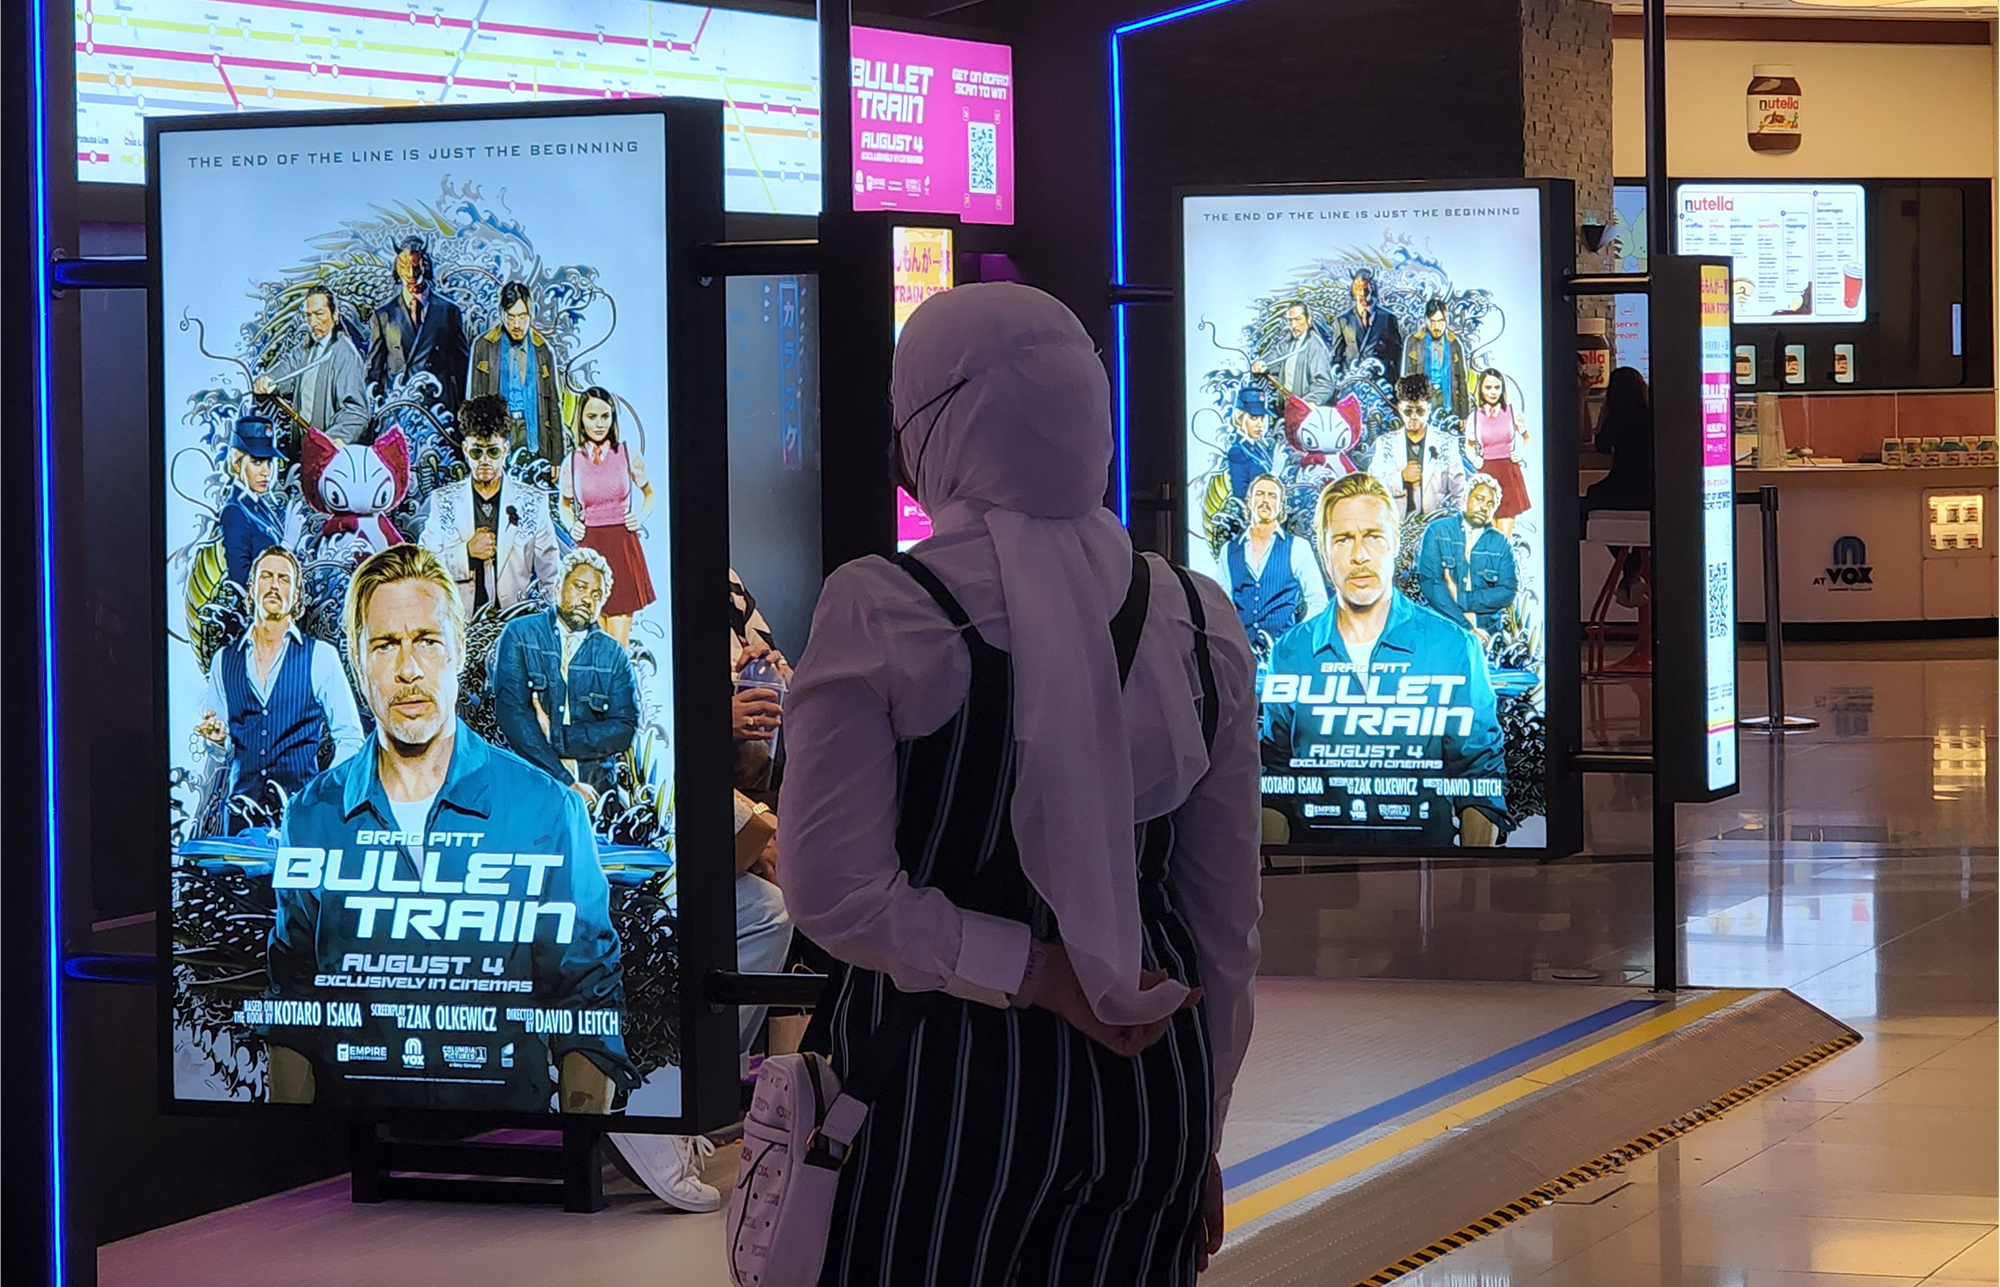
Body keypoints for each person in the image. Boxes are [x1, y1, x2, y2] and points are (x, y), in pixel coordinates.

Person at [778, 282, 1261, 1282]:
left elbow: (832, 893)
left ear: (935, 427)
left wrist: (1038, 974)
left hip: (941, 1085)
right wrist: (1201, 1131)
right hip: (1148, 1078)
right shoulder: (1197, 616)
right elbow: (1223, 924)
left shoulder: (884, 609)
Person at [264, 543, 632, 1111]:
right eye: (385, 645)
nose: (408, 669)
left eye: (427, 642)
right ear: (357, 661)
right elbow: (292, 1005)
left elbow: (587, 996)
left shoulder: (547, 810)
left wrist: (573, 1151)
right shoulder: (312, 817)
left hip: (512, 1161)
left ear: (459, 650)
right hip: (352, 1168)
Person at [1262, 471, 1505, 848]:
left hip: (1426, 875)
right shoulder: (1291, 652)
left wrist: (1474, 881)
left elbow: (1480, 776)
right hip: (1314, 881)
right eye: (1343, 539)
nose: (1359, 555)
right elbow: (1273, 779)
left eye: (1373, 537)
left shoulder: (1453, 647)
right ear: (1323, 551)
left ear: (1394, 542)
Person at [195, 546, 365, 834]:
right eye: (266, 577)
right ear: (251, 589)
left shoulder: (320, 656)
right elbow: (220, 749)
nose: (274, 585)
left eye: (284, 579)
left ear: (296, 595)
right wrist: (215, 742)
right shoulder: (224, 660)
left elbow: (351, 738)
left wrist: (323, 795)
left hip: (300, 821)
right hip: (238, 822)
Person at [488, 548, 637, 803]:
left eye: (596, 594)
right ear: (558, 588)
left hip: (596, 797)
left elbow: (624, 728)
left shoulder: (614, 655)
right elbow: (514, 717)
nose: (588, 599)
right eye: (580, 587)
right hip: (530, 789)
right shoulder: (520, 635)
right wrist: (565, 782)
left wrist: (558, 735)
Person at [419, 394, 560, 617]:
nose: (484, 460)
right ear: (465, 450)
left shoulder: (533, 502)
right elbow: (425, 566)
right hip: (459, 627)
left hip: (515, 627)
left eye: (492, 451)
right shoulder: (444, 502)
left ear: (505, 449)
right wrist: (466, 552)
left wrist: (544, 626)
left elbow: (551, 576)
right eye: (477, 452)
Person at [558, 387, 656, 645]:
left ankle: (622, 686)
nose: (599, 423)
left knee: (618, 644)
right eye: (592, 417)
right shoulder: (572, 461)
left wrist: (640, 517)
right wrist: (571, 525)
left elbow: (650, 494)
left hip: (622, 546)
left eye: (605, 416)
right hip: (590, 549)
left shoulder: (626, 453)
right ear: (581, 418)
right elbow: (564, 505)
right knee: (596, 641)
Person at [252, 284, 369, 447]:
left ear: (335, 315)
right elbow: (286, 370)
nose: (312, 323)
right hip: (302, 448)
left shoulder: (346, 354)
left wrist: (337, 438)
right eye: (308, 316)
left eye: (319, 314)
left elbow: (356, 411)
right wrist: (268, 380)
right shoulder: (305, 349)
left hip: (327, 453)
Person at [366, 236, 469, 418]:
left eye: (416, 266)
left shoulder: (448, 311)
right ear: (397, 269)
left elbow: (462, 367)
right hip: (397, 405)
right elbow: (374, 369)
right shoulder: (384, 315)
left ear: (425, 265)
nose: (412, 274)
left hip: (438, 409)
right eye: (405, 267)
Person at [468, 281, 565, 468]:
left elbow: (553, 405)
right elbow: (474, 406)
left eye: (522, 316)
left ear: (530, 314)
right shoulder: (484, 346)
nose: (517, 324)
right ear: (502, 315)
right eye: (511, 317)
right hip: (498, 433)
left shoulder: (542, 349)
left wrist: (557, 460)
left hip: (533, 433)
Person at [1581, 366, 1654, 606]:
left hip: (1620, 490)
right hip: (1649, 495)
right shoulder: (1651, 417)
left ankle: (1630, 570)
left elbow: (1601, 445)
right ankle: (1632, 573)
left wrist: (1603, 413)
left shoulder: (1617, 419)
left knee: (1590, 502)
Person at [1228, 474, 1328, 647]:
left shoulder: (1298, 547)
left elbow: (1318, 601)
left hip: (1284, 654)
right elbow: (1222, 602)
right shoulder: (1229, 550)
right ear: (1250, 501)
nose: (1265, 500)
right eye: (1260, 494)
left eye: (1272, 496)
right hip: (1240, 652)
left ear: (1280, 506)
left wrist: (1297, 638)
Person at [1416, 474, 1518, 639]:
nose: (1484, 507)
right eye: (1479, 499)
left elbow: (1508, 591)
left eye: (1490, 504)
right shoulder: (1437, 532)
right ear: (1465, 499)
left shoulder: (1501, 544)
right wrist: (1467, 629)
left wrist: (1462, 598)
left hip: (1489, 637)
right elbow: (1431, 584)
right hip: (1443, 632)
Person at [1367, 373, 1467, 521]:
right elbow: (1372, 486)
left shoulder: (1447, 444)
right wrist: (1401, 478)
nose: (1414, 417)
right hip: (1397, 527)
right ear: (1400, 409)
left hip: (1436, 528)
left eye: (1419, 411)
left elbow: (1459, 492)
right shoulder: (1385, 444)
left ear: (1428, 409)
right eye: (1408, 411)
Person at [217, 415, 287, 589]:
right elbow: (241, 581)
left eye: (269, 463)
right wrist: (287, 547)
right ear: (237, 464)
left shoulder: (258, 504)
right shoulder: (235, 511)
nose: (266, 472)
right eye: (257, 462)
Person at [1465, 367, 1533, 536]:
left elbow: (1527, 438)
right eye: (1488, 387)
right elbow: (1469, 445)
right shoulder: (1474, 416)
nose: (1493, 392)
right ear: (1481, 388)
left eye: (1497, 387)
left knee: (1505, 533)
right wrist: (1474, 458)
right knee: (1489, 532)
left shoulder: (1511, 412)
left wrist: (1521, 453)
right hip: (1486, 474)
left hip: (1508, 473)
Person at [1250, 300, 1335, 405]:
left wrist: (1311, 401)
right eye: (1290, 321)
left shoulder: (1316, 347)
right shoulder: (1287, 343)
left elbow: (1324, 384)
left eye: (1298, 319)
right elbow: (1273, 358)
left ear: (1309, 320)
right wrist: (1260, 363)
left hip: (1303, 411)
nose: (1293, 325)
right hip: (1284, 407)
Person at [1402, 298, 1471, 422]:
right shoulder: (1414, 342)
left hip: (1448, 399)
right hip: (1423, 400)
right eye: (1432, 322)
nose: (1436, 327)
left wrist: (1465, 416)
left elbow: (1462, 381)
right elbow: (1407, 379)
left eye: (1440, 322)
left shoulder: (1454, 344)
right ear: (1426, 320)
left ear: (1446, 321)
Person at [1330, 270, 1404, 384]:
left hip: (1380, 382)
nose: (1362, 293)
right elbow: (1336, 356)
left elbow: (1397, 355)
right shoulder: (1343, 320)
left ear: (1372, 288)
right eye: (1358, 288)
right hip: (1351, 381)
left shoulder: (1388, 318)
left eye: (1365, 288)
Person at [1223, 384, 1283, 499]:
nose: (1260, 425)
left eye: (1262, 418)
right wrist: (1275, 474)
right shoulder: (1238, 452)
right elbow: (1241, 495)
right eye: (1253, 418)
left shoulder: (1259, 447)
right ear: (1239, 419)